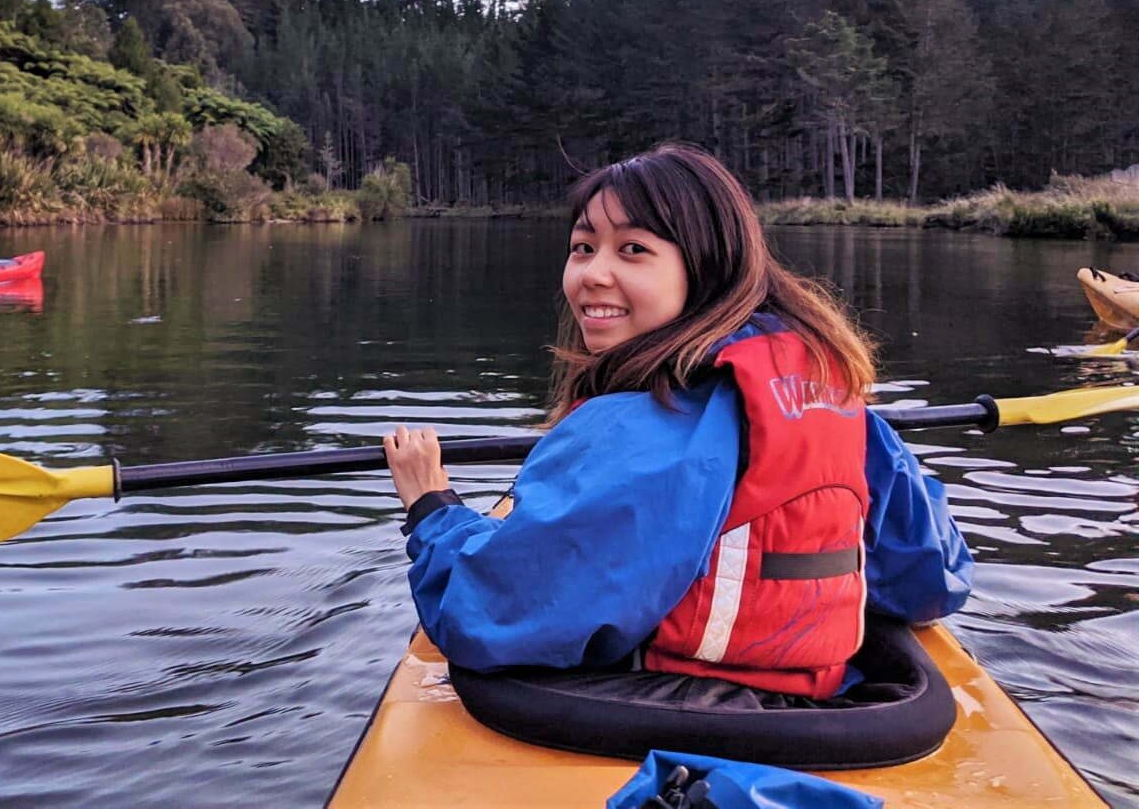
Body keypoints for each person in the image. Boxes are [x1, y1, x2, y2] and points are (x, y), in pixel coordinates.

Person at [383, 142, 971, 697]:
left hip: (664, 710)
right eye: (583, 247)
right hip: (816, 711)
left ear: (706, 268)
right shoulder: (836, 398)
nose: (592, 274)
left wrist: (433, 510)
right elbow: (932, 579)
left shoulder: (630, 431)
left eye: (633, 249)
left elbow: (484, 616)